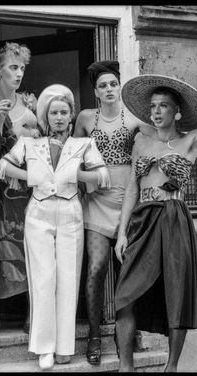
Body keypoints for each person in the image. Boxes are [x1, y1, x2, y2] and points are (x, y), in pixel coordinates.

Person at [114, 74, 197, 372]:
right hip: (142, 219)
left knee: (176, 293)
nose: (156, 112)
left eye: (164, 106)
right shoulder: (141, 142)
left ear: (176, 112)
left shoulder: (191, 140)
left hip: (174, 218)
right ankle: (125, 367)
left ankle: (171, 367)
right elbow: (132, 188)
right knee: (125, 294)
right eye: (153, 106)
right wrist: (122, 234)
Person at [0, 84, 110, 370]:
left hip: (70, 210)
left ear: (71, 116)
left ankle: (64, 347)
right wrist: (31, 174)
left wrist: (77, 173)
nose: (59, 117)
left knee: (68, 278)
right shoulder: (30, 144)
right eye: (54, 112)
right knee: (43, 279)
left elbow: (103, 176)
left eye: (64, 112)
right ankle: (44, 348)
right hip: (39, 212)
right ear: (46, 115)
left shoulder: (83, 145)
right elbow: (3, 166)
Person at [73, 60, 153, 366]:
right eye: (103, 85)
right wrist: (83, 178)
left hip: (127, 203)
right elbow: (71, 155)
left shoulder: (134, 119)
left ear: (120, 87)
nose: (109, 89)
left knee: (126, 275)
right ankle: (95, 335)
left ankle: (125, 343)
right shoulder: (84, 118)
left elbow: (154, 146)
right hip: (96, 200)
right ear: (95, 91)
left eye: (113, 84)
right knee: (95, 268)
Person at [0, 42, 40, 333]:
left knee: (31, 246)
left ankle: (32, 312)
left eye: (22, 68)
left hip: (28, 188)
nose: (18, 73)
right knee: (3, 247)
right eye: (13, 67)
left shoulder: (29, 103)